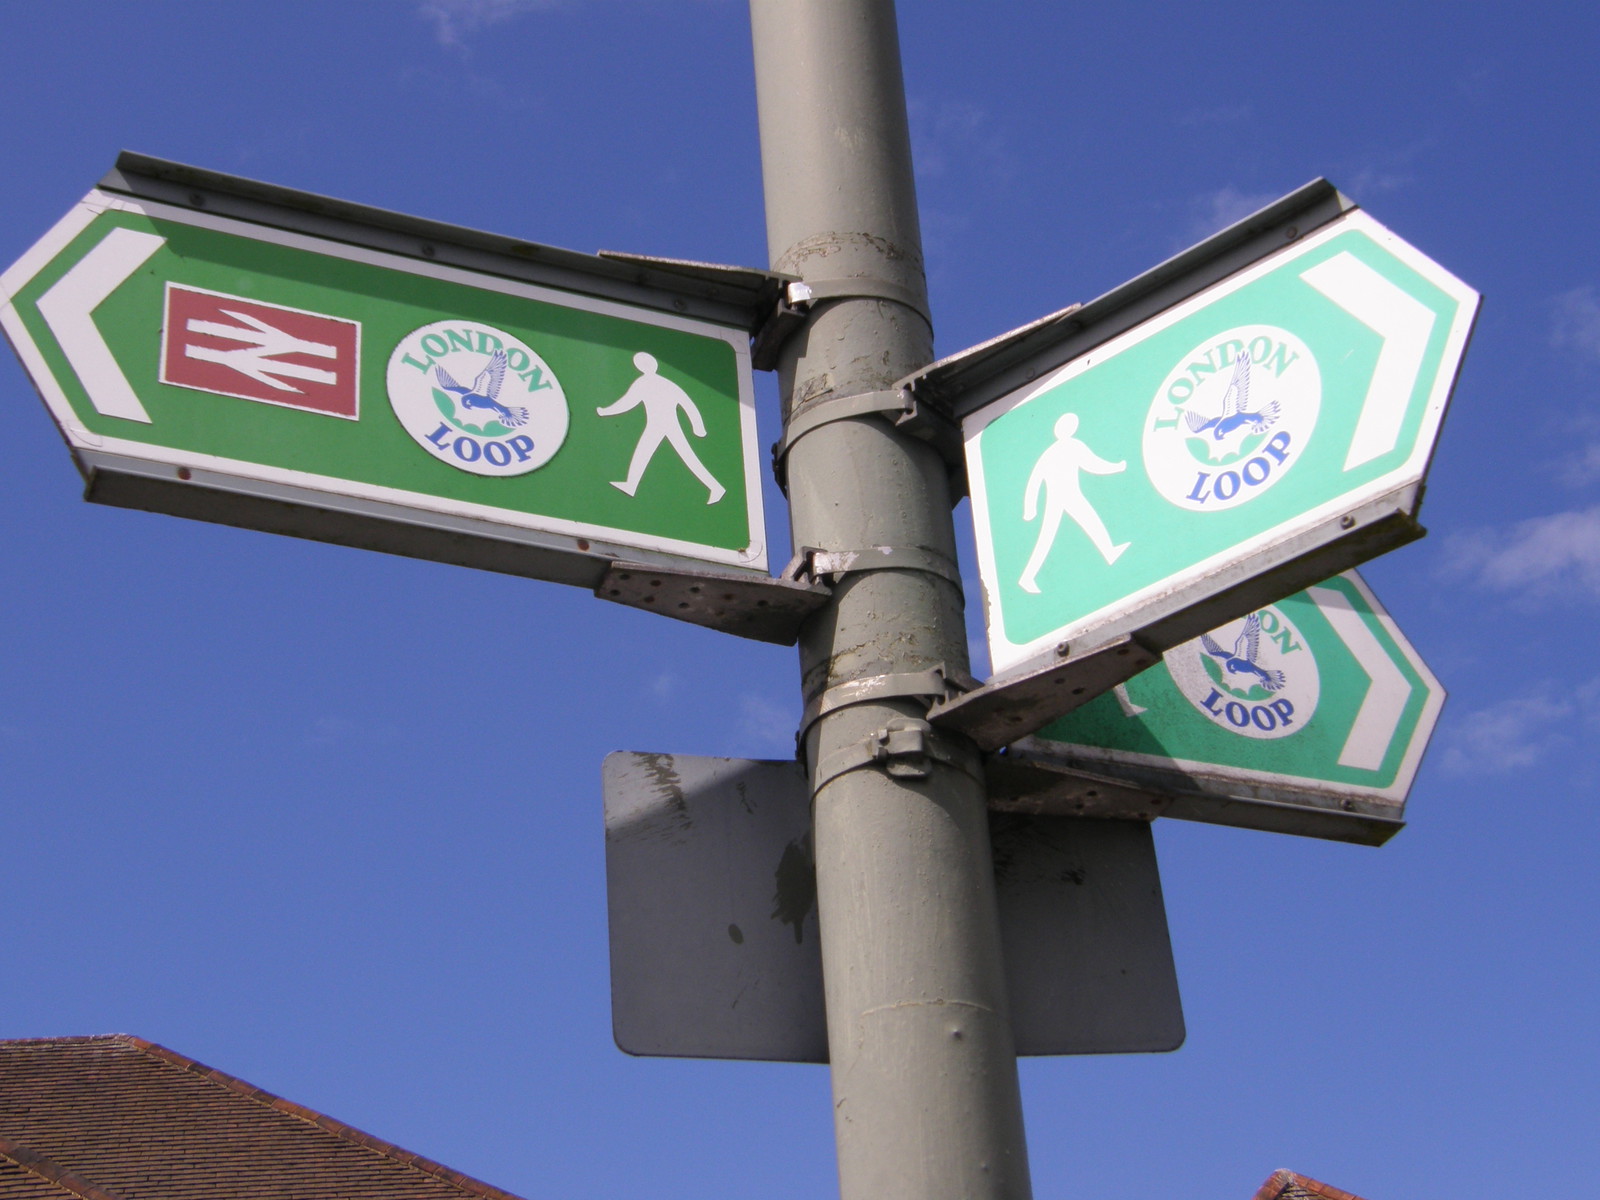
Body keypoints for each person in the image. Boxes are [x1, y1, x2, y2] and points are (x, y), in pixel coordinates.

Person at [1017, 411, 1128, 594]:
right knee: (1048, 537)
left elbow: (1092, 464)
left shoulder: (1056, 450)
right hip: (1064, 495)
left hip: (1068, 495)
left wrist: (1031, 508)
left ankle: (1110, 552)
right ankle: (1027, 577)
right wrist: (1117, 467)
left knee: (1083, 523)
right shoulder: (1068, 447)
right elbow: (1093, 465)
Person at [596, 352, 725, 504]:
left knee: (687, 457)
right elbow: (687, 404)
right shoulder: (663, 383)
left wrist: (605, 411)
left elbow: (627, 403)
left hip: (665, 424)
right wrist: (697, 426)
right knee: (645, 452)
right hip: (657, 424)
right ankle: (631, 485)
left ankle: (716, 487)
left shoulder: (646, 383)